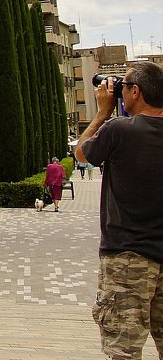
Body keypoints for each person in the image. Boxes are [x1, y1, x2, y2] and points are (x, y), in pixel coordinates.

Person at [76, 61, 163, 360]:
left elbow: (82, 155)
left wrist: (102, 112)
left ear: (135, 92)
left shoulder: (118, 130)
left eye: (124, 86)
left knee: (124, 352)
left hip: (128, 259)